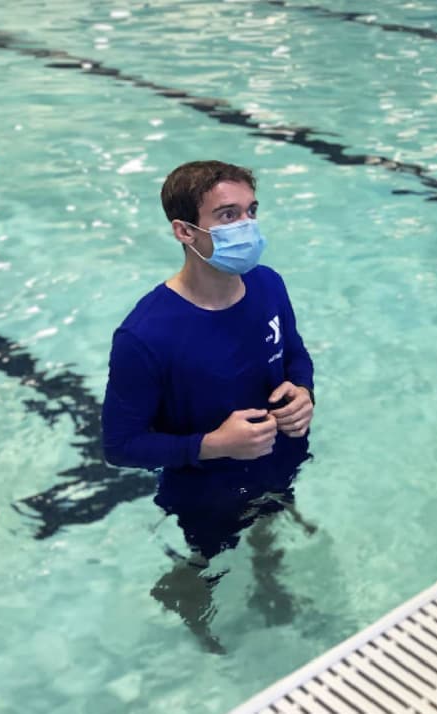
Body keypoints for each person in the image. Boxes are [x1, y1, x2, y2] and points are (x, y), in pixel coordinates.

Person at [101, 160, 315, 651]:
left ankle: (268, 579)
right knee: (210, 558)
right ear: (184, 231)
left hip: (278, 458)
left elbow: (296, 355)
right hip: (205, 490)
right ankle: (186, 594)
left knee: (270, 521)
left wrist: (304, 392)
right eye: (227, 215)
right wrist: (213, 445)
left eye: (251, 211)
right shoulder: (146, 335)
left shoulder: (269, 285)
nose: (247, 227)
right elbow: (120, 445)